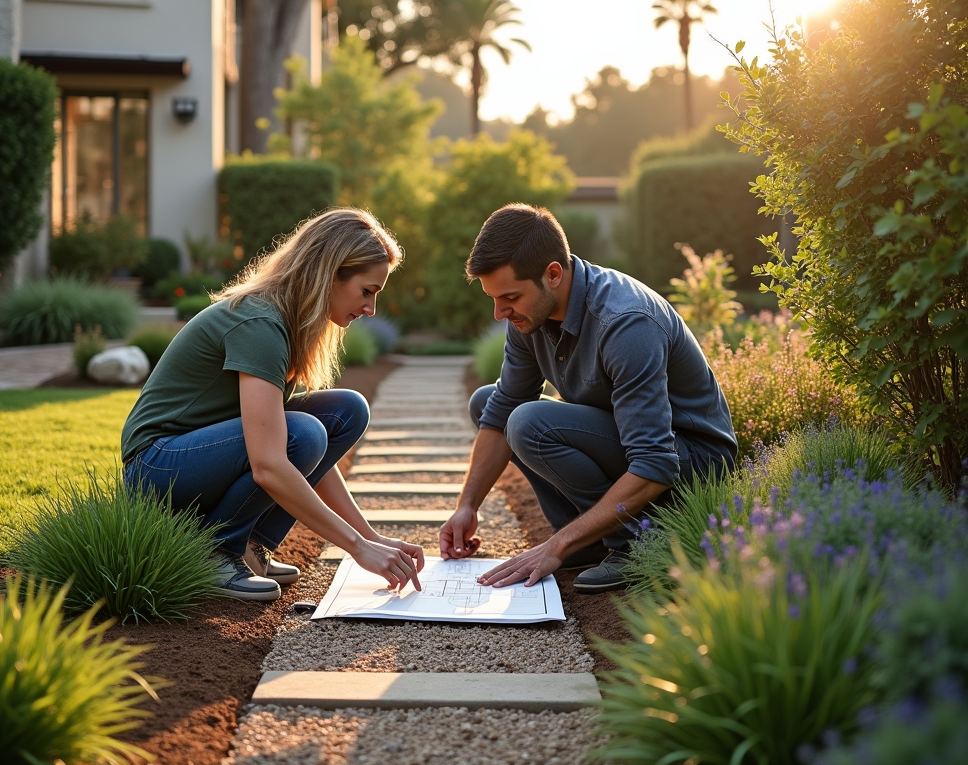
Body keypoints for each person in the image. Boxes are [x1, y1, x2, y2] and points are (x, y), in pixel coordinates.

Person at [121, 208, 424, 602]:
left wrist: (372, 537)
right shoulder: (261, 322)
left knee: (345, 410)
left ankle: (249, 546)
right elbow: (271, 462)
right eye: (367, 291)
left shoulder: (287, 320)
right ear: (329, 273)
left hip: (201, 457)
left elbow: (310, 459)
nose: (371, 309)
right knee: (305, 431)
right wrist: (357, 548)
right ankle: (215, 551)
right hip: (158, 466)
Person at [439, 203, 737, 594]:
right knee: (489, 401)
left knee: (529, 423)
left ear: (553, 274)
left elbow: (654, 463)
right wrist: (467, 506)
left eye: (509, 296)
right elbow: (500, 410)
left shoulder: (626, 323)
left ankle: (634, 544)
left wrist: (553, 547)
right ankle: (584, 538)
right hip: (636, 445)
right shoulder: (530, 314)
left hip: (690, 461)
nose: (499, 313)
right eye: (494, 298)